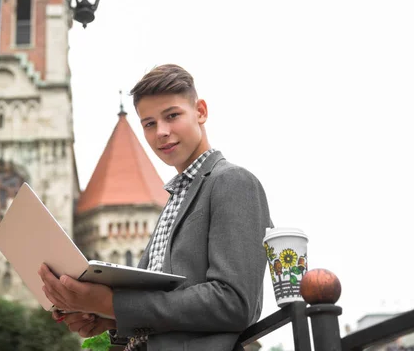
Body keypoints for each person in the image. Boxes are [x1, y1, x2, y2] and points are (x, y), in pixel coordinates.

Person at [38, 64, 272, 351]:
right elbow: (169, 311)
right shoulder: (173, 201)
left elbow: (234, 303)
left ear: (200, 111)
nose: (161, 132)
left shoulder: (233, 182)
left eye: (172, 116)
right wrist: (106, 319)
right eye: (149, 124)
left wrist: (111, 304)